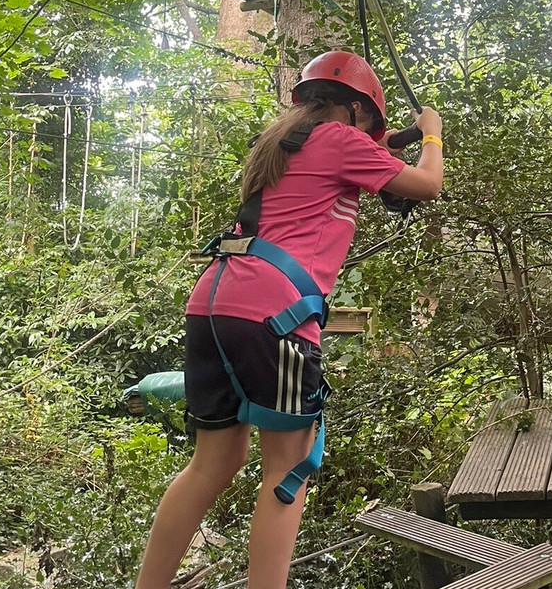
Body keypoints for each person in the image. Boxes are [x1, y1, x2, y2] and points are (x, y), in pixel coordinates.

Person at [134, 50, 443, 589]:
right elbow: (427, 185)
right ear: (355, 111)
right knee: (287, 472)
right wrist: (433, 135)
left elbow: (375, 149)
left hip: (212, 303)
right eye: (371, 122)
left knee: (212, 464)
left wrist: (398, 136)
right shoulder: (343, 142)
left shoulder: (278, 144)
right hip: (274, 316)